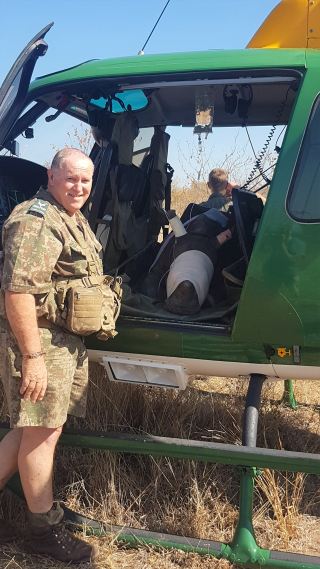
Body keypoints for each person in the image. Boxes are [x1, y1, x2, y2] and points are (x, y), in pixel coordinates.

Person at [0, 148, 101, 563]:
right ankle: (43, 529)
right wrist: (33, 357)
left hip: (62, 344)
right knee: (41, 436)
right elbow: (18, 291)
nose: (79, 187)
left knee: (27, 431)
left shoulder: (70, 217)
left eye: (86, 181)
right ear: (52, 175)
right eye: (71, 178)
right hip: (41, 344)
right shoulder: (37, 220)